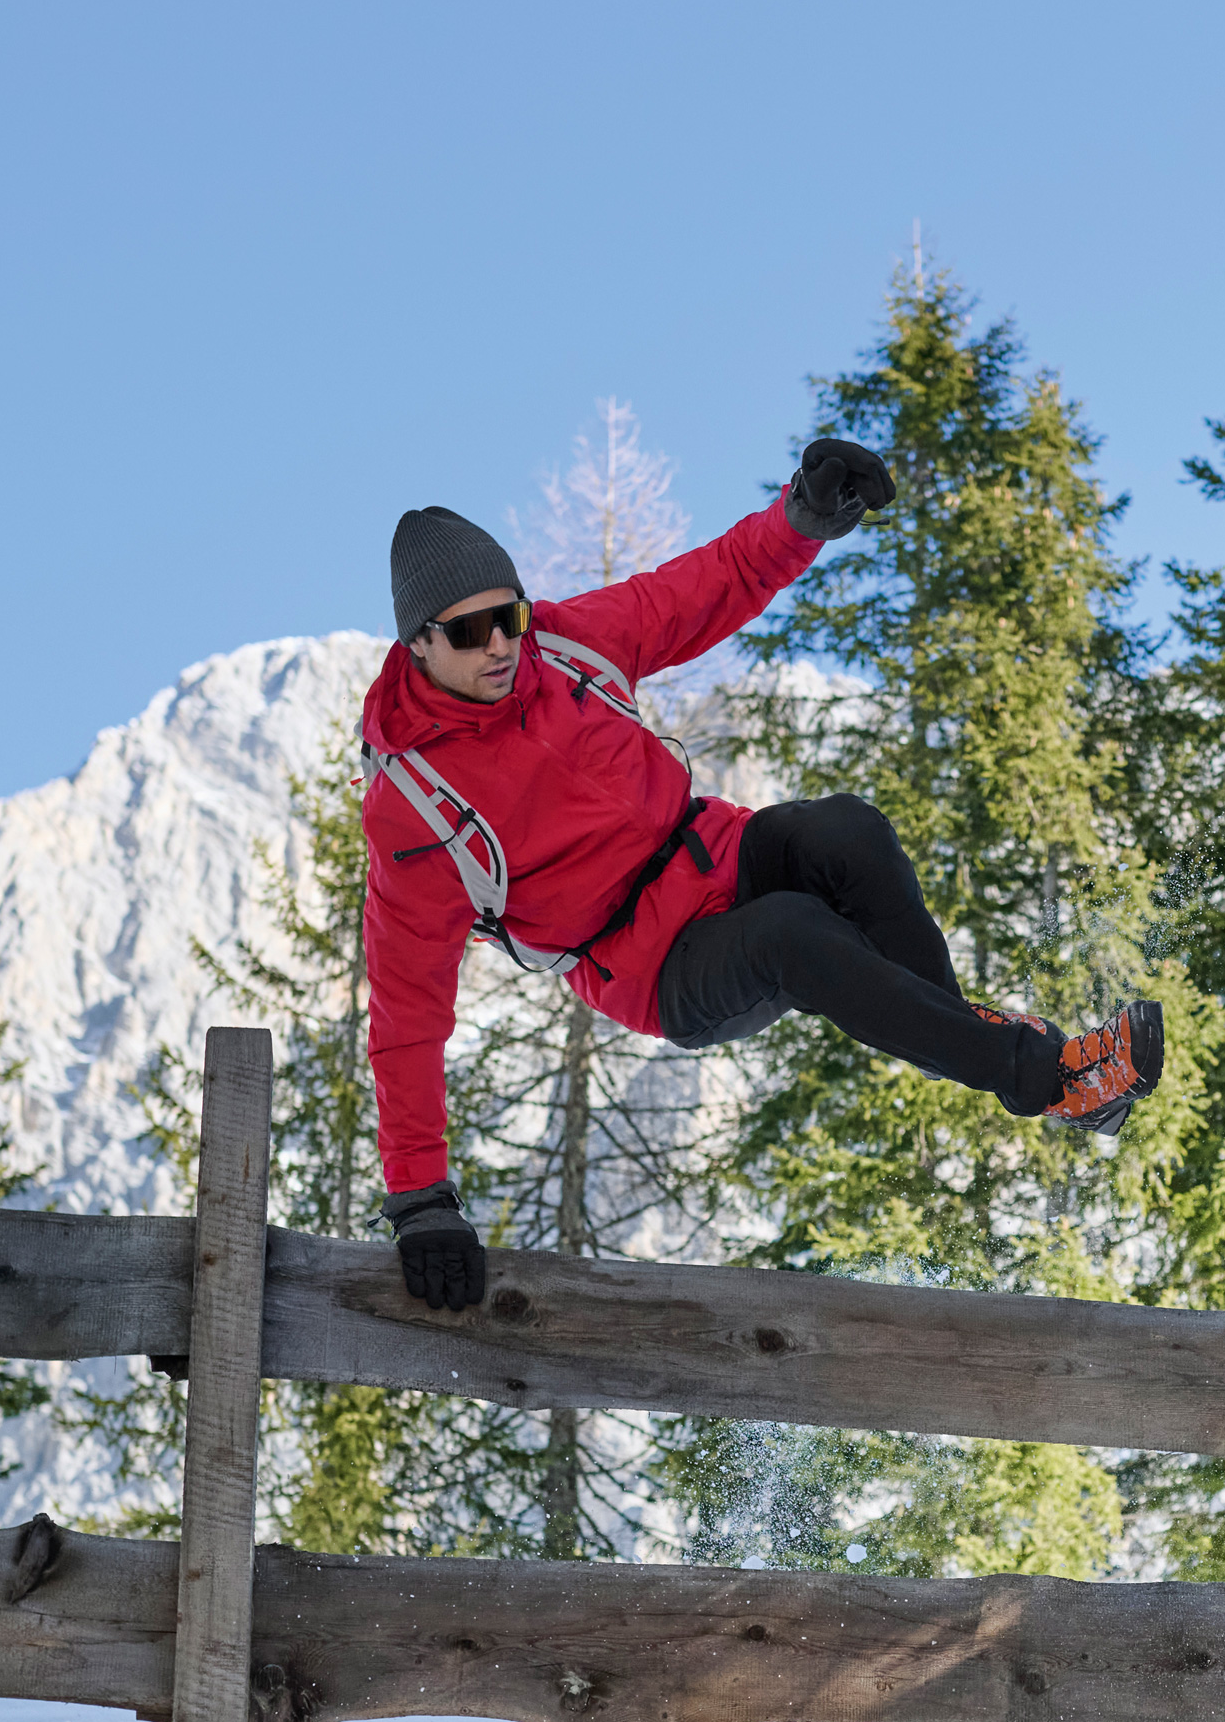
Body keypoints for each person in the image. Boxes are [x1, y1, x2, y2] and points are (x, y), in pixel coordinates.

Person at [359, 437, 1162, 1313]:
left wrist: (799, 519)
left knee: (847, 831)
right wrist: (420, 1199)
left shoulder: (566, 649)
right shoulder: (416, 807)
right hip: (652, 963)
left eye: (508, 617)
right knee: (793, 936)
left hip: (716, 851)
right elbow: (407, 1018)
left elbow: (702, 586)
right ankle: (1053, 1080)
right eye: (472, 632)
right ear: (418, 643)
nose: (501, 646)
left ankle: (959, 1027)